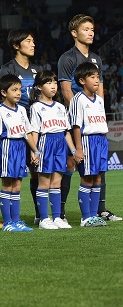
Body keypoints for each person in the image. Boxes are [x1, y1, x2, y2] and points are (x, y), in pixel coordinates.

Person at [57, 14, 120, 221]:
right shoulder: (67, 58)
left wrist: (97, 113)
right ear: (74, 33)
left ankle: (100, 210)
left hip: (94, 122)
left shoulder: (96, 59)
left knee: (99, 168)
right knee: (69, 164)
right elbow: (66, 91)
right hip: (76, 121)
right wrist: (81, 112)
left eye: (92, 29)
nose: (91, 32)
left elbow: (100, 92)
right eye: (86, 29)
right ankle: (62, 212)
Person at [0, 29, 42, 224]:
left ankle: (39, 214)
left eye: (33, 41)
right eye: (28, 41)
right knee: (11, 177)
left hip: (36, 127)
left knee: (36, 170)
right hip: (15, 130)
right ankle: (5, 218)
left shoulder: (37, 71)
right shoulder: (8, 69)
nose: (33, 44)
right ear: (16, 45)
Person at [0, 74, 41, 232]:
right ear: (4, 92)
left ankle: (16, 221)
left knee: (17, 185)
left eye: (20, 89)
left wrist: (35, 150)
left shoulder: (23, 110)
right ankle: (8, 223)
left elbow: (28, 132)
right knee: (7, 184)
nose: (19, 93)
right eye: (14, 90)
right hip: (8, 146)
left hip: (21, 147)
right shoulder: (0, 110)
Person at [28, 70, 75, 229]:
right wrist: (34, 151)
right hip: (46, 143)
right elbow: (34, 131)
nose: (53, 86)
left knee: (57, 182)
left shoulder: (61, 107)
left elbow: (66, 132)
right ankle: (43, 219)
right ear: (40, 87)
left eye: (55, 83)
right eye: (49, 83)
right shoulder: (36, 107)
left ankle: (57, 218)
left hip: (60, 144)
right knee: (44, 182)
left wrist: (74, 151)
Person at [69, 63, 109, 227]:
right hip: (87, 140)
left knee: (98, 178)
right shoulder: (77, 100)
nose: (96, 80)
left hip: (101, 140)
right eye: (92, 77)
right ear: (82, 80)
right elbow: (76, 125)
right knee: (87, 178)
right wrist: (78, 148)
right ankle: (86, 217)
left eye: (98, 77)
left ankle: (94, 216)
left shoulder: (99, 100)